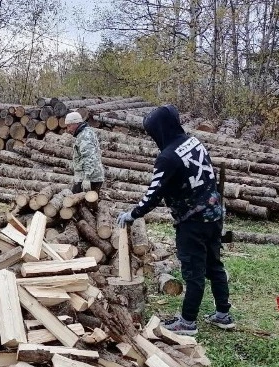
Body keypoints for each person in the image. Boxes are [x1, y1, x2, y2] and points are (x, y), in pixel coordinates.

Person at [115, 105, 234, 335]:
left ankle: (187, 322)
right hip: (214, 213)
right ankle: (223, 314)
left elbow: (153, 194)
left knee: (194, 271)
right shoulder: (194, 142)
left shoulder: (167, 157)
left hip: (192, 221)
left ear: (159, 130)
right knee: (214, 264)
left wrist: (133, 214)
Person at [65, 111, 105, 193]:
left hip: (91, 178)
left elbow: (89, 157)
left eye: (69, 126)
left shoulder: (85, 136)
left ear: (76, 123)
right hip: (88, 176)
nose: (68, 130)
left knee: (78, 202)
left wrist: (87, 179)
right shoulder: (84, 133)